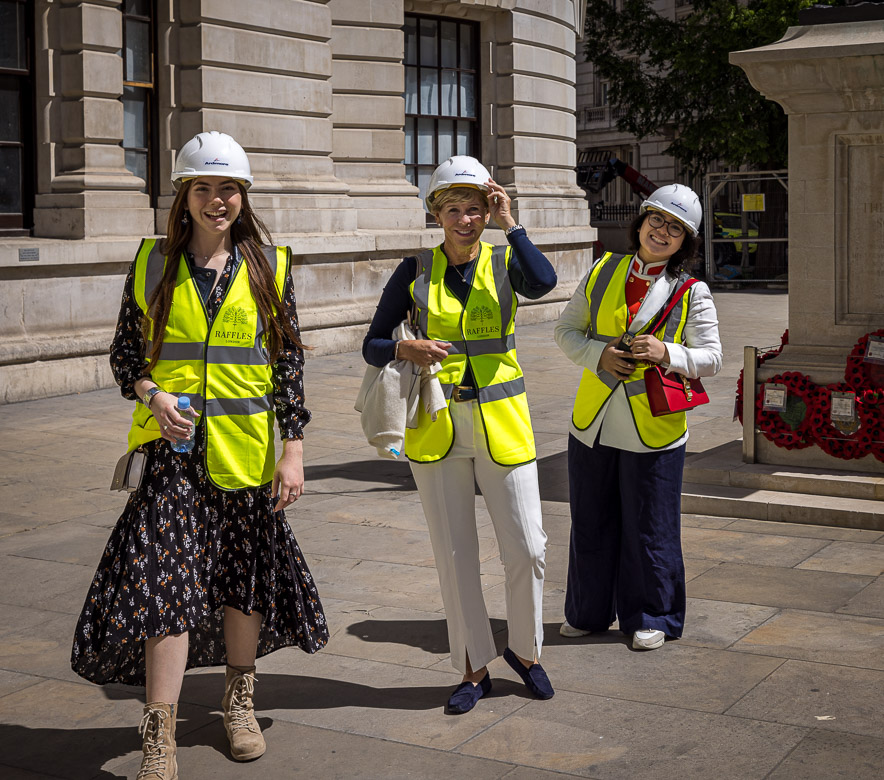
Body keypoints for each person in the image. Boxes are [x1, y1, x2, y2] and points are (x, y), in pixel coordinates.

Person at [71, 131, 329, 777]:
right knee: (167, 587)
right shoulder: (152, 263)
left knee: (243, 587)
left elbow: (288, 365)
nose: (218, 200)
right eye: (205, 188)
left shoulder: (272, 266)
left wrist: (292, 451)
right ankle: (158, 733)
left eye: (229, 188)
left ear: (244, 196)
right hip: (171, 456)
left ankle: (239, 701)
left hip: (245, 456)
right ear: (183, 196)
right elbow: (126, 356)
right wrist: (152, 394)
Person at [363, 156, 557, 714]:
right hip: (438, 426)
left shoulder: (505, 261)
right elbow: (372, 344)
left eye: (475, 207)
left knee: (528, 548)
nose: (466, 219)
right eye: (454, 208)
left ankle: (525, 652)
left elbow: (543, 282)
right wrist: (406, 347)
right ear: (436, 213)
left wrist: (511, 223)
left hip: (503, 424)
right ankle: (473, 667)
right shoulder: (414, 270)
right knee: (455, 555)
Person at [554, 184, 722, 651]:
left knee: (651, 525)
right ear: (641, 221)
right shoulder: (603, 268)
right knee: (589, 520)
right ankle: (587, 612)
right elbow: (565, 330)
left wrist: (666, 351)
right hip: (593, 421)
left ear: (685, 242)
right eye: (657, 220)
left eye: (675, 228)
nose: (662, 231)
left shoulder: (693, 290)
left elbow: (711, 358)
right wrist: (598, 355)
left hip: (655, 426)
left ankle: (654, 615)